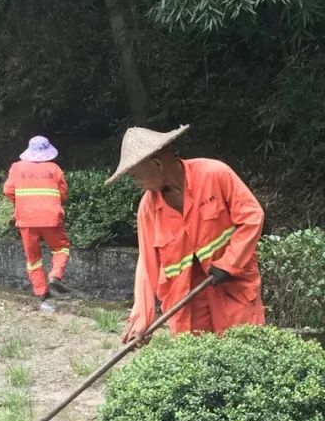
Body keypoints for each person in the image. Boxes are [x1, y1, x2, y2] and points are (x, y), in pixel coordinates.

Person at [106, 125, 265, 344]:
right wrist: (142, 319)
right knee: (196, 364)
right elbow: (147, 263)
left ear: (157, 164)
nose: (137, 184)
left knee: (243, 351)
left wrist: (229, 264)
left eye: (135, 176)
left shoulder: (214, 174)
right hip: (186, 301)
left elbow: (252, 216)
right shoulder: (148, 208)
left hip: (232, 289)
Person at [3, 136, 71, 312]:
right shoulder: (54, 168)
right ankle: (55, 275)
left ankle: (41, 291)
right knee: (61, 248)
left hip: (25, 219)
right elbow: (63, 194)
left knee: (33, 257)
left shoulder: (16, 168)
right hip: (51, 218)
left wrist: (21, 202)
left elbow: (8, 191)